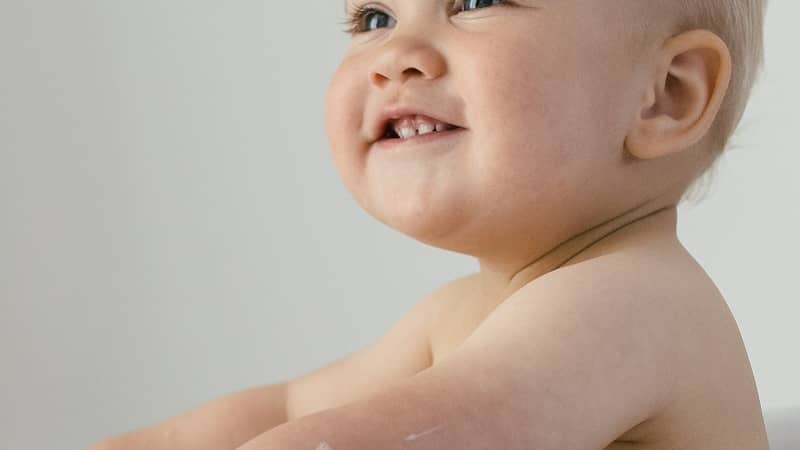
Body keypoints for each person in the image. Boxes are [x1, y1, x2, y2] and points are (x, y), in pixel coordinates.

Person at [90, 0, 770, 448]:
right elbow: (289, 410)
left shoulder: (635, 306)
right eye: (375, 17)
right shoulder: (458, 314)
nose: (396, 56)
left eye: (473, 2)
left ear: (665, 95)